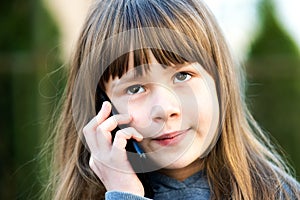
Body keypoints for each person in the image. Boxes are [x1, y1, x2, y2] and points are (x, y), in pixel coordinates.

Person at [45, 0, 300, 199]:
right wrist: (124, 192)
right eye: (135, 89)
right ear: (103, 108)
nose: (165, 109)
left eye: (182, 76)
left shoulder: (277, 194)